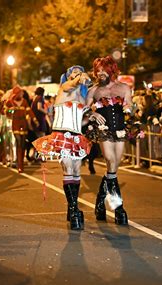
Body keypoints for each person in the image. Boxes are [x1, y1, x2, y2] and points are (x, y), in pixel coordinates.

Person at [33, 65, 92, 230]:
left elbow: (81, 119)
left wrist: (92, 118)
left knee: (77, 170)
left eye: (79, 72)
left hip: (76, 135)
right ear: (67, 76)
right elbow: (69, 84)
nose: (77, 74)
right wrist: (81, 78)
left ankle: (71, 207)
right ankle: (74, 210)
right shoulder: (64, 89)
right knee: (67, 168)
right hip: (61, 135)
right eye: (74, 72)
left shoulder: (81, 97)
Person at [86, 56, 132, 225]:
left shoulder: (124, 88)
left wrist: (130, 108)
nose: (100, 73)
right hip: (103, 131)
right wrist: (93, 113)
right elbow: (82, 109)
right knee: (110, 161)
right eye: (97, 70)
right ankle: (118, 208)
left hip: (119, 130)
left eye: (103, 70)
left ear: (111, 70)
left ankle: (100, 202)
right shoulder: (94, 90)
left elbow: (130, 106)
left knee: (113, 168)